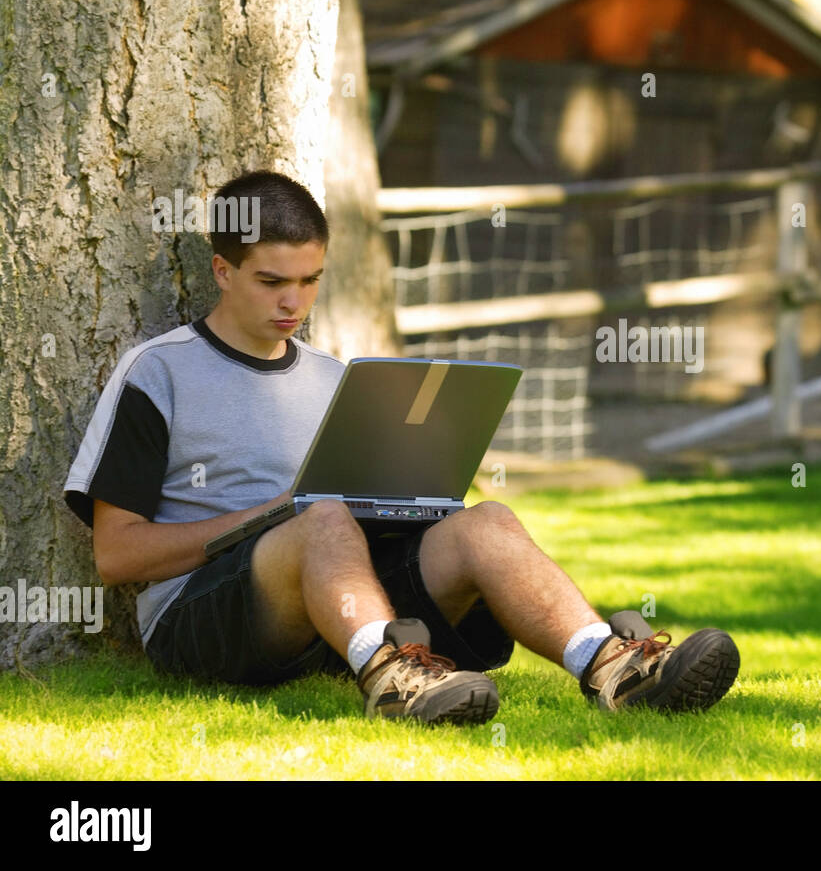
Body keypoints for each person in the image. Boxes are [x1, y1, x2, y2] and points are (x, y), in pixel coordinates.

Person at [63, 170, 740, 726]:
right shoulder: (158, 371)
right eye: (273, 282)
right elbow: (116, 555)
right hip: (204, 619)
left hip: (336, 609)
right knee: (321, 515)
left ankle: (613, 667)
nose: (293, 302)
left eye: (310, 279)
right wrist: (274, 515)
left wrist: (409, 503)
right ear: (223, 269)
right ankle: (394, 679)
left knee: (486, 521)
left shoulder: (335, 377)